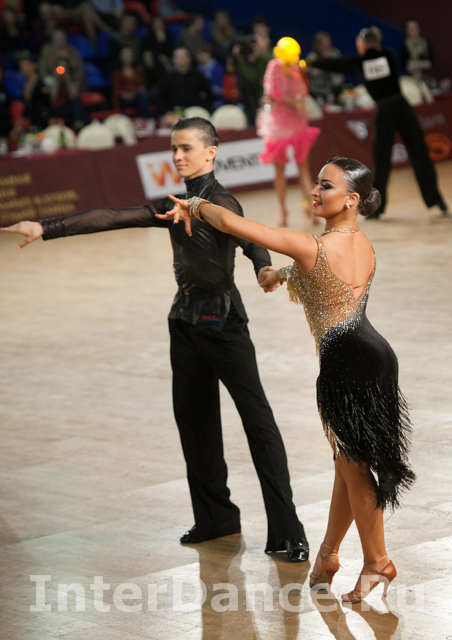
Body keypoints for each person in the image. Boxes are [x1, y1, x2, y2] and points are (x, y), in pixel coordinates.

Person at [1, 117, 309, 563]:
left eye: (186, 148)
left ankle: (288, 532)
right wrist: (46, 227)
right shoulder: (174, 205)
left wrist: (263, 267)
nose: (178, 156)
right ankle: (216, 519)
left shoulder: (221, 202)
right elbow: (114, 217)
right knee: (194, 423)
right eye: (173, 149)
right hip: (183, 322)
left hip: (223, 324)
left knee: (258, 424)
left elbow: (250, 239)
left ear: (211, 152)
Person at [155, 155, 416, 604]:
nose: (315, 191)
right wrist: (278, 273)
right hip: (375, 356)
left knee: (355, 470)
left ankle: (378, 561)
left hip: (346, 364)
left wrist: (194, 206)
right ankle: (329, 555)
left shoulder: (310, 245)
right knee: (348, 465)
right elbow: (331, 282)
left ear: (352, 200)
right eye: (317, 183)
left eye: (326, 186)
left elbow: (234, 224)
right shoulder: (363, 244)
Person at [307, 28, 447, 217]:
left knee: (381, 161)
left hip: (385, 112)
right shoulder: (388, 54)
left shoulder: (360, 62)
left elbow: (335, 64)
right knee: (420, 153)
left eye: (359, 43)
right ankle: (436, 199)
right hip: (402, 107)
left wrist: (309, 62)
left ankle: (375, 210)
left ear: (362, 44)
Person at [257, 37, 320, 227]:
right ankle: (284, 211)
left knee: (303, 167)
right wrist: (297, 103)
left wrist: (297, 102)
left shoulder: (294, 68)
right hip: (279, 123)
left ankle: (311, 209)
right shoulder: (275, 67)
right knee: (281, 169)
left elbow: (299, 92)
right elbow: (274, 94)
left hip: (294, 121)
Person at [157, 48, 213, 113]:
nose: (182, 59)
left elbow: (209, 94)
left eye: (184, 56)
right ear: (174, 60)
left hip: (195, 112)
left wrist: (204, 109)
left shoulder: (198, 76)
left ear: (189, 58)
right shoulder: (167, 77)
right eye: (179, 57)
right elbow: (160, 97)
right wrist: (166, 111)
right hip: (174, 113)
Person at [306, 31, 343, 104]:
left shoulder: (335, 54)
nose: (327, 47)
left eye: (328, 44)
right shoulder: (312, 57)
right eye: (323, 44)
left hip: (333, 91)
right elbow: (312, 74)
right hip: (316, 92)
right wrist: (324, 61)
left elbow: (339, 76)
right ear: (317, 45)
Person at [112, 46, 150, 117]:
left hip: (136, 96)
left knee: (143, 95)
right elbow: (116, 88)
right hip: (123, 97)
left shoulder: (138, 69)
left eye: (129, 56)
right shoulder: (117, 71)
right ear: (121, 57)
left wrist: (134, 93)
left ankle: (144, 118)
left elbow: (141, 85)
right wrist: (124, 94)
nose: (128, 58)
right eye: (125, 56)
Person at [401, 20, 435, 84]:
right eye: (411, 28)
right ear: (407, 31)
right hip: (411, 81)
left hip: (426, 79)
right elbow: (408, 68)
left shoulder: (425, 44)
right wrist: (422, 64)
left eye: (415, 28)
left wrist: (414, 64)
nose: (414, 31)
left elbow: (429, 63)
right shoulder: (404, 47)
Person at [195, 43, 224, 109]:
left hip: (217, 100)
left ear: (209, 54)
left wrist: (207, 90)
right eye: (198, 54)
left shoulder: (218, 68)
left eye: (202, 54)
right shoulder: (198, 69)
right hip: (203, 101)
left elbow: (221, 89)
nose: (200, 56)